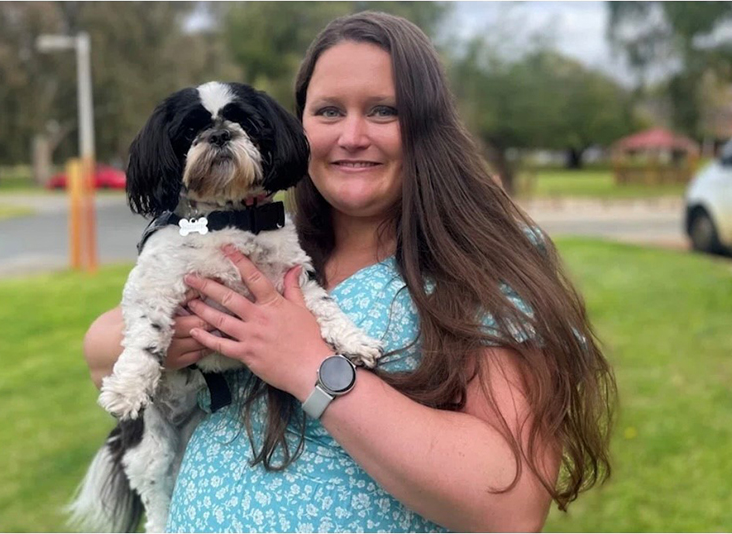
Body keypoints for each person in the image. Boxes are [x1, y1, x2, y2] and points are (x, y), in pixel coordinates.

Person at [83, 11, 616, 532]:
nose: (352, 136)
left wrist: (310, 366)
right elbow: (99, 352)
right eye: (330, 112)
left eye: (384, 110)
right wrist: (171, 339)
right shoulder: (265, 237)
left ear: (428, 126)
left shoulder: (481, 259)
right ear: (299, 128)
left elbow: (511, 507)